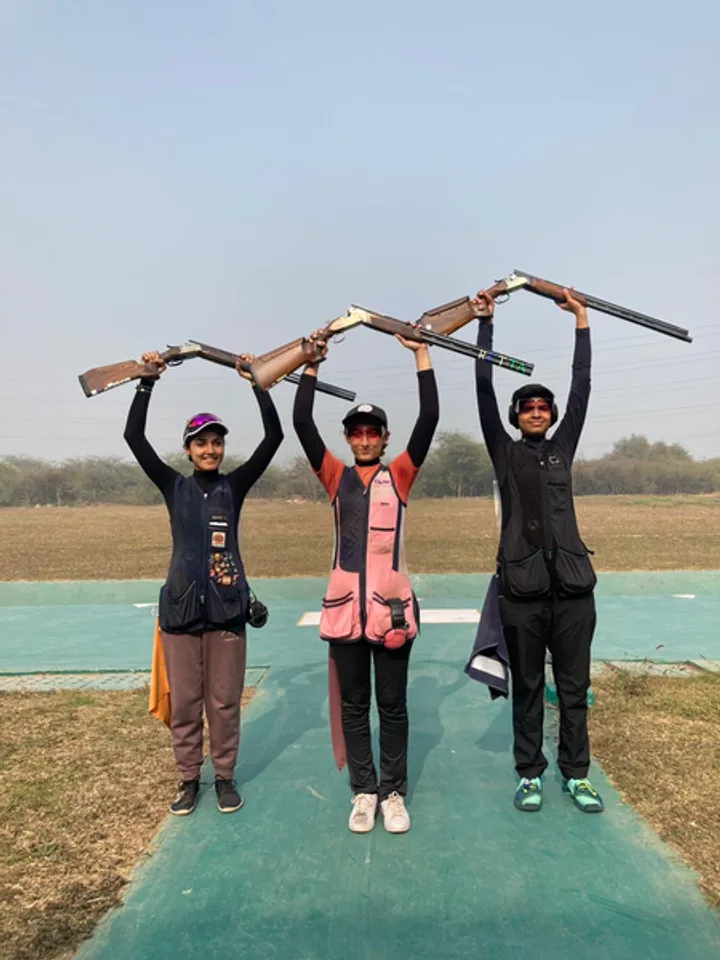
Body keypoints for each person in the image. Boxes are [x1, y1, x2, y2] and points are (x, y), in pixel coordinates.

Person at [124, 351, 283, 816]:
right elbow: (133, 436)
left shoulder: (235, 487)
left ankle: (226, 778)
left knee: (225, 703)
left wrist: (258, 382)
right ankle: (190, 780)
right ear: (188, 450)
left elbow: (274, 437)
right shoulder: (174, 486)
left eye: (216, 442)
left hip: (228, 610)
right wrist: (147, 381)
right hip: (180, 611)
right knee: (187, 705)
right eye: (201, 443)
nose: (210, 450)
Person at [293, 329, 439, 834]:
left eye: (372, 431)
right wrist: (311, 365)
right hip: (343, 612)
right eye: (356, 431)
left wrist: (421, 354)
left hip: (390, 610)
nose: (363, 437)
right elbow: (300, 423)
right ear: (348, 438)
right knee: (354, 707)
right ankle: (364, 791)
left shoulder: (399, 475)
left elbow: (430, 419)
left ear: (385, 437)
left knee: (392, 706)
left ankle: (393, 792)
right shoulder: (334, 476)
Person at [473, 288, 604, 814]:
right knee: (527, 688)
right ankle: (530, 774)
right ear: (515, 415)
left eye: (541, 406)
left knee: (572, 691)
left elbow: (582, 388)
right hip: (521, 594)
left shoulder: (563, 446)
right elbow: (482, 389)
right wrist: (485, 325)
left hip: (574, 591)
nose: (534, 410)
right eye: (525, 406)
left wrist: (581, 321)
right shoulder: (504, 452)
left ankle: (576, 774)